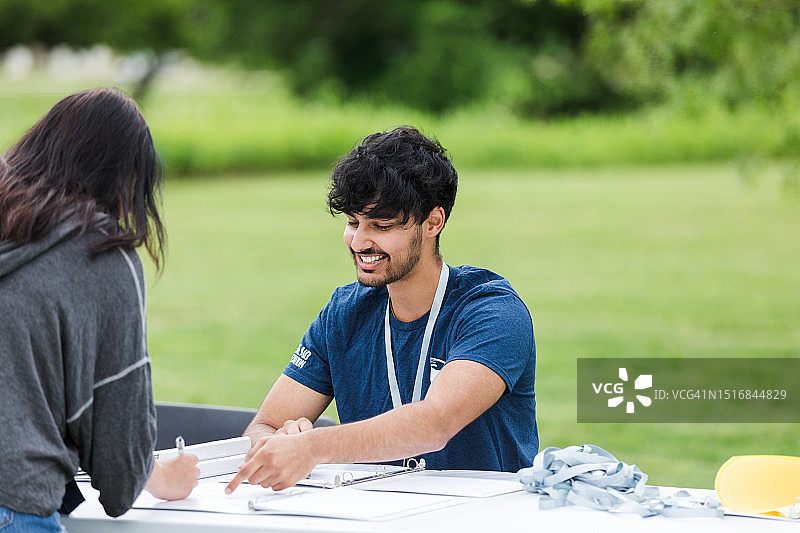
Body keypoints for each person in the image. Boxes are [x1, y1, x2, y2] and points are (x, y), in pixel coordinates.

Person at [227, 126, 537, 494]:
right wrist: (278, 440)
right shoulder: (343, 314)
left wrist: (312, 447)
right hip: (376, 519)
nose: (359, 242)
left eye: (381, 225)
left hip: (483, 519)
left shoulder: (492, 311)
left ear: (432, 222)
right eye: (353, 222)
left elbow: (435, 424)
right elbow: (263, 426)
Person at [0, 88, 199, 532]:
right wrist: (159, 476)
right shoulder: (105, 254)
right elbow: (116, 432)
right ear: (128, 178)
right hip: (13, 501)